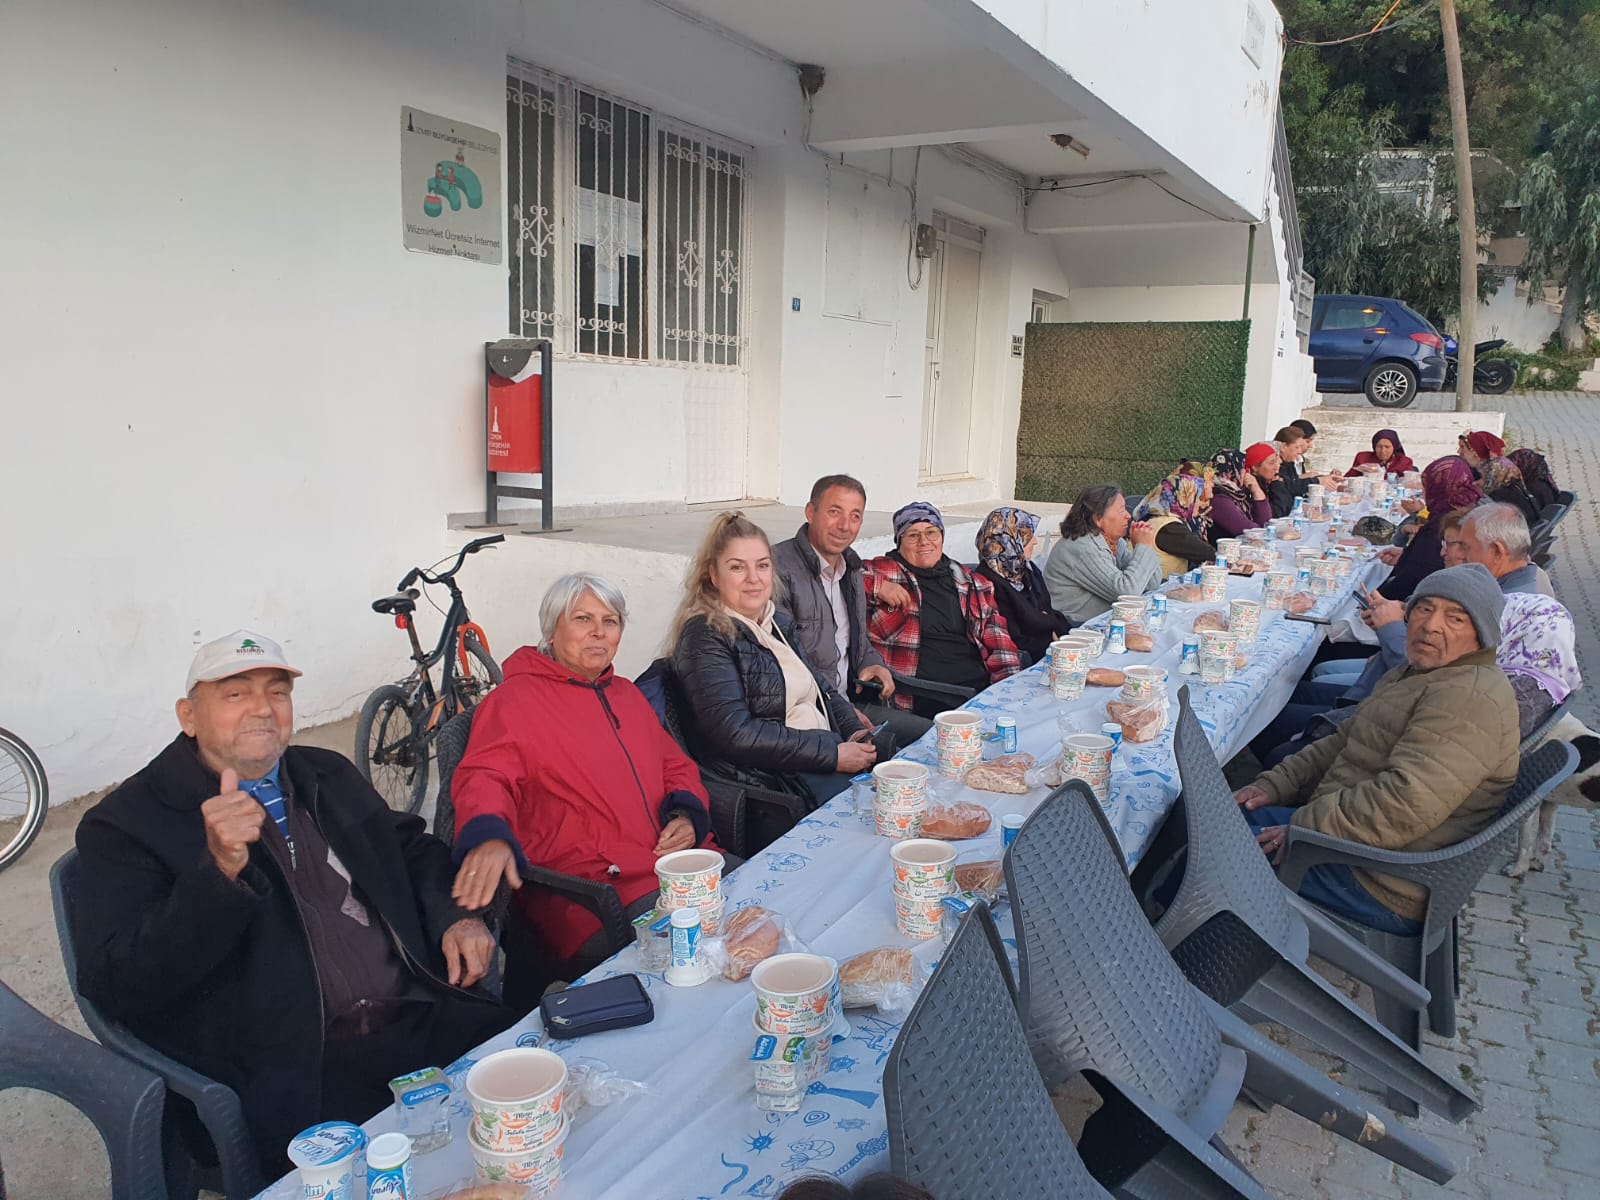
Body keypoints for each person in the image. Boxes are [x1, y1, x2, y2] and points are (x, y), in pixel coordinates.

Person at [71, 631, 515, 1173]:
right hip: (298, 1069)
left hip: (419, 1010)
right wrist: (216, 876)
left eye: (277, 693)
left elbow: (410, 848)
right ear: (189, 716)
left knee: (538, 1109)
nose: (262, 708)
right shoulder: (128, 823)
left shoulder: (323, 773)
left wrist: (456, 916)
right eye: (236, 694)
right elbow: (118, 984)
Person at [448, 574, 721, 997]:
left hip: (672, 868)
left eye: (610, 621)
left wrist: (685, 813)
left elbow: (676, 767)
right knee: (710, 963)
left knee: (761, 910)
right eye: (582, 619)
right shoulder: (515, 701)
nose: (599, 632)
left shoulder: (626, 694)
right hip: (594, 892)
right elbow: (485, 777)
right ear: (551, 630)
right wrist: (488, 835)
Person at [1237, 565, 1519, 935]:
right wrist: (1273, 785)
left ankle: (1183, 969)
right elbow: (1343, 740)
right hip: (1358, 842)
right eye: (1423, 608)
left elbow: (1404, 803)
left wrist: (1302, 826)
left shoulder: (1467, 698)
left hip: (1381, 878)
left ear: (1481, 634)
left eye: (1455, 618)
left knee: (1216, 845)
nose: (1431, 625)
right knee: (1224, 815)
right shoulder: (1421, 673)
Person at [672, 511, 880, 806]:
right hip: (776, 781)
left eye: (762, 565)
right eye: (737, 567)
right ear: (713, 575)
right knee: (877, 814)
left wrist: (853, 730)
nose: (753, 579)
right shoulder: (705, 636)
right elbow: (737, 734)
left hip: (820, 756)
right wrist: (832, 754)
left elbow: (820, 685)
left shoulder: (776, 621)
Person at [773, 475, 931, 747]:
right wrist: (844, 715)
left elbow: (856, 643)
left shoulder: (851, 569)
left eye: (855, 516)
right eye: (834, 512)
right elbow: (784, 664)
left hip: (850, 705)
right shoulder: (777, 569)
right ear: (811, 512)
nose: (845, 526)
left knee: (933, 737)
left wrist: (873, 663)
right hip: (808, 716)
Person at [863, 502, 1023, 716]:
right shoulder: (883, 571)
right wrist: (878, 586)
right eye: (912, 535)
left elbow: (999, 643)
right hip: (924, 694)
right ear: (899, 541)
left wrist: (1010, 692)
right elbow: (842, 574)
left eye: (931, 532)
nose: (924, 541)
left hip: (979, 690)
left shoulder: (971, 582)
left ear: (942, 537)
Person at [1042, 484, 1162, 625]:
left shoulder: (1113, 542)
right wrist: (1143, 547)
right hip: (1075, 628)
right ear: (1098, 519)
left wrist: (1142, 546)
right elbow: (1128, 593)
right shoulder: (1082, 548)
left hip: (1101, 621)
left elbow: (1152, 584)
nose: (1128, 516)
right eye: (1121, 510)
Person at [1375, 456, 1484, 601]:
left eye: (1428, 488)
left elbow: (1414, 577)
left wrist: (1374, 599)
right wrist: (1407, 555)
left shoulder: (1444, 525)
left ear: (1438, 490)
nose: (1424, 495)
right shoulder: (1474, 511)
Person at [972, 505, 1073, 662]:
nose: (1034, 542)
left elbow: (1047, 613)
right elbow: (1014, 639)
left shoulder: (1027, 572)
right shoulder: (987, 584)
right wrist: (1049, 628)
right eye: (1025, 536)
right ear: (1007, 541)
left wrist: (1046, 622)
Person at [1131, 461, 1218, 575]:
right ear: (1184, 499)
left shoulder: (1157, 517)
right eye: (1196, 499)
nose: (1199, 504)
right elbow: (1207, 553)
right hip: (1157, 589)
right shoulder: (1169, 526)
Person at [1458, 430, 1540, 526]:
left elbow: (1481, 501)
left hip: (1517, 523)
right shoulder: (1488, 466)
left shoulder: (1496, 468)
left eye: (1462, 447)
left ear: (1475, 452)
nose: (1459, 452)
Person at [1269, 425, 1341, 516]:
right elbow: (1291, 485)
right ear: (1283, 446)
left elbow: (1296, 484)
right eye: (1296, 447)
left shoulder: (1289, 462)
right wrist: (1318, 481)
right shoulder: (1275, 466)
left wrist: (1323, 478)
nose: (1300, 451)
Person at [1205, 448, 1273, 540]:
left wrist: (1257, 491)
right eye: (1244, 468)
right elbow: (1248, 531)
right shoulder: (1218, 498)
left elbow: (1266, 523)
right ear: (1234, 469)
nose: (1246, 472)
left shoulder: (1238, 492)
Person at [1348, 428, 1416, 478]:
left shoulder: (1404, 461)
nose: (1383, 451)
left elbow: (1409, 482)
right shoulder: (1363, 458)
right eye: (1379, 447)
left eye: (1387, 447)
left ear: (1394, 447)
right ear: (1374, 447)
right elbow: (1348, 479)